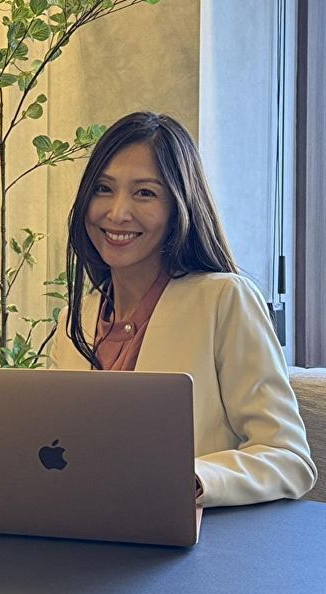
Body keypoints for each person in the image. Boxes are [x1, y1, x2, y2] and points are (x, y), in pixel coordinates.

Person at [51, 111, 317, 508]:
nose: (117, 212)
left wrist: (189, 480)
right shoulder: (78, 318)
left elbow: (288, 458)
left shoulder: (224, 300)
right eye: (103, 189)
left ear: (180, 206)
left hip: (191, 536)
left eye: (145, 193)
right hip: (84, 527)